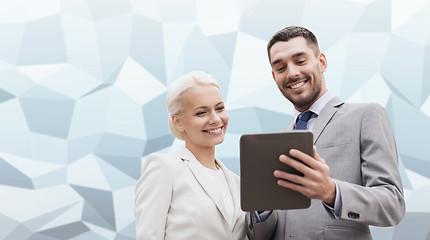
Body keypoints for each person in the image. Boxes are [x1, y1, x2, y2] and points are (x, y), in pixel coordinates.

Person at [245, 26, 405, 240]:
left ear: (321, 62)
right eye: (281, 67)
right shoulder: (274, 144)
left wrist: (332, 191)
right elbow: (260, 235)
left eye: (300, 61)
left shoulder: (365, 115)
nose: (292, 73)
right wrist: (262, 207)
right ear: (274, 76)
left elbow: (392, 205)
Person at [134, 71, 246, 240]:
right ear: (177, 121)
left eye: (220, 108)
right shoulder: (164, 168)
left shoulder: (236, 183)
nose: (216, 119)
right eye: (201, 112)